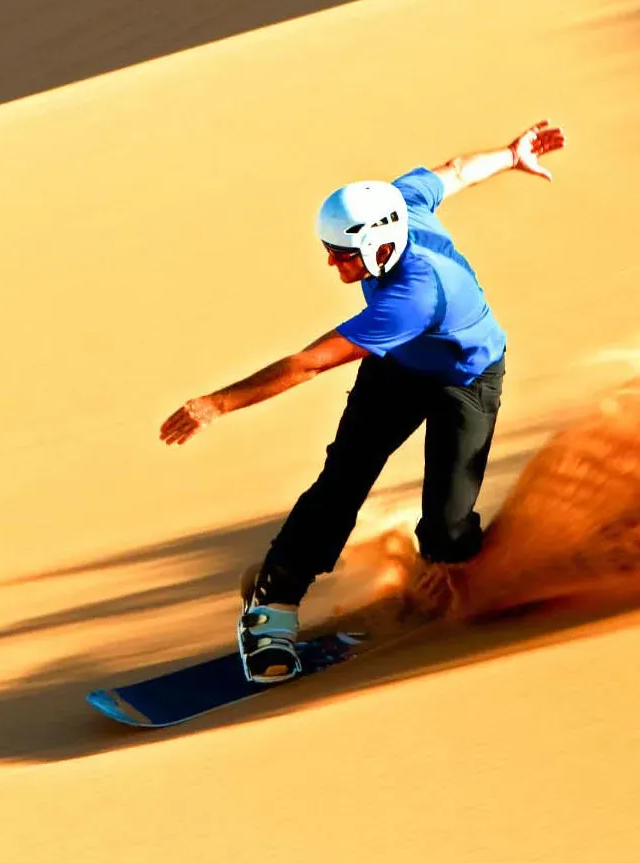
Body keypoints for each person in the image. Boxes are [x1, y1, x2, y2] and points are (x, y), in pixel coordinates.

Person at [159, 120, 567, 682]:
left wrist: (218, 404)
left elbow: (310, 362)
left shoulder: (413, 295)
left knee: (448, 533)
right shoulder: (396, 205)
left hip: (467, 380)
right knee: (342, 481)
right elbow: (453, 173)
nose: (332, 264)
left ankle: (449, 570)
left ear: (378, 244)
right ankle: (272, 605)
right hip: (399, 368)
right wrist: (509, 154)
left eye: (341, 254)